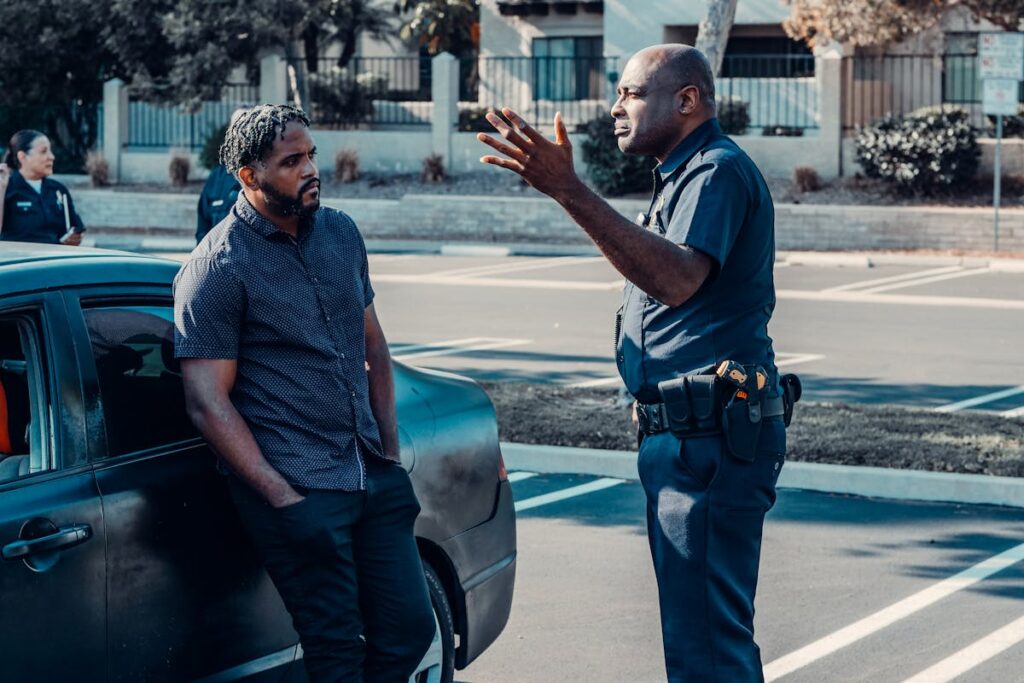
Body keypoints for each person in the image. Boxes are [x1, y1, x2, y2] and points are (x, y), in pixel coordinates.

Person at [478, 44, 788, 682]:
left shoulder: (715, 170)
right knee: (700, 634)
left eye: (630, 93)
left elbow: (676, 279)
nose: (615, 107)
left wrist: (568, 189)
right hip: (688, 435)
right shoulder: (683, 174)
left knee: (707, 644)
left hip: (710, 437)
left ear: (687, 100)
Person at [173, 104, 435, 682]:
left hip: (371, 472)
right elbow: (206, 402)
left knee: (411, 631)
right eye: (292, 161)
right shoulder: (216, 266)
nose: (311, 168)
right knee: (336, 647)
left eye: (311, 154)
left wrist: (389, 453)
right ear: (248, 174)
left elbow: (374, 347)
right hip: (298, 486)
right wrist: (281, 496)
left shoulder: (340, 231)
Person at [0, 130, 85, 245]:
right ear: (23, 157)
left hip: (54, 260)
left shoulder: (58, 190)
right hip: (19, 260)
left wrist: (74, 239)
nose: (51, 157)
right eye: (43, 152)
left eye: (50, 151)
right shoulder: (6, 188)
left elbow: (74, 228)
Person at [196, 109, 247, 243]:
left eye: (247, 125)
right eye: (237, 126)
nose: (242, 132)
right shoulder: (216, 178)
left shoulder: (268, 176)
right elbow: (203, 228)